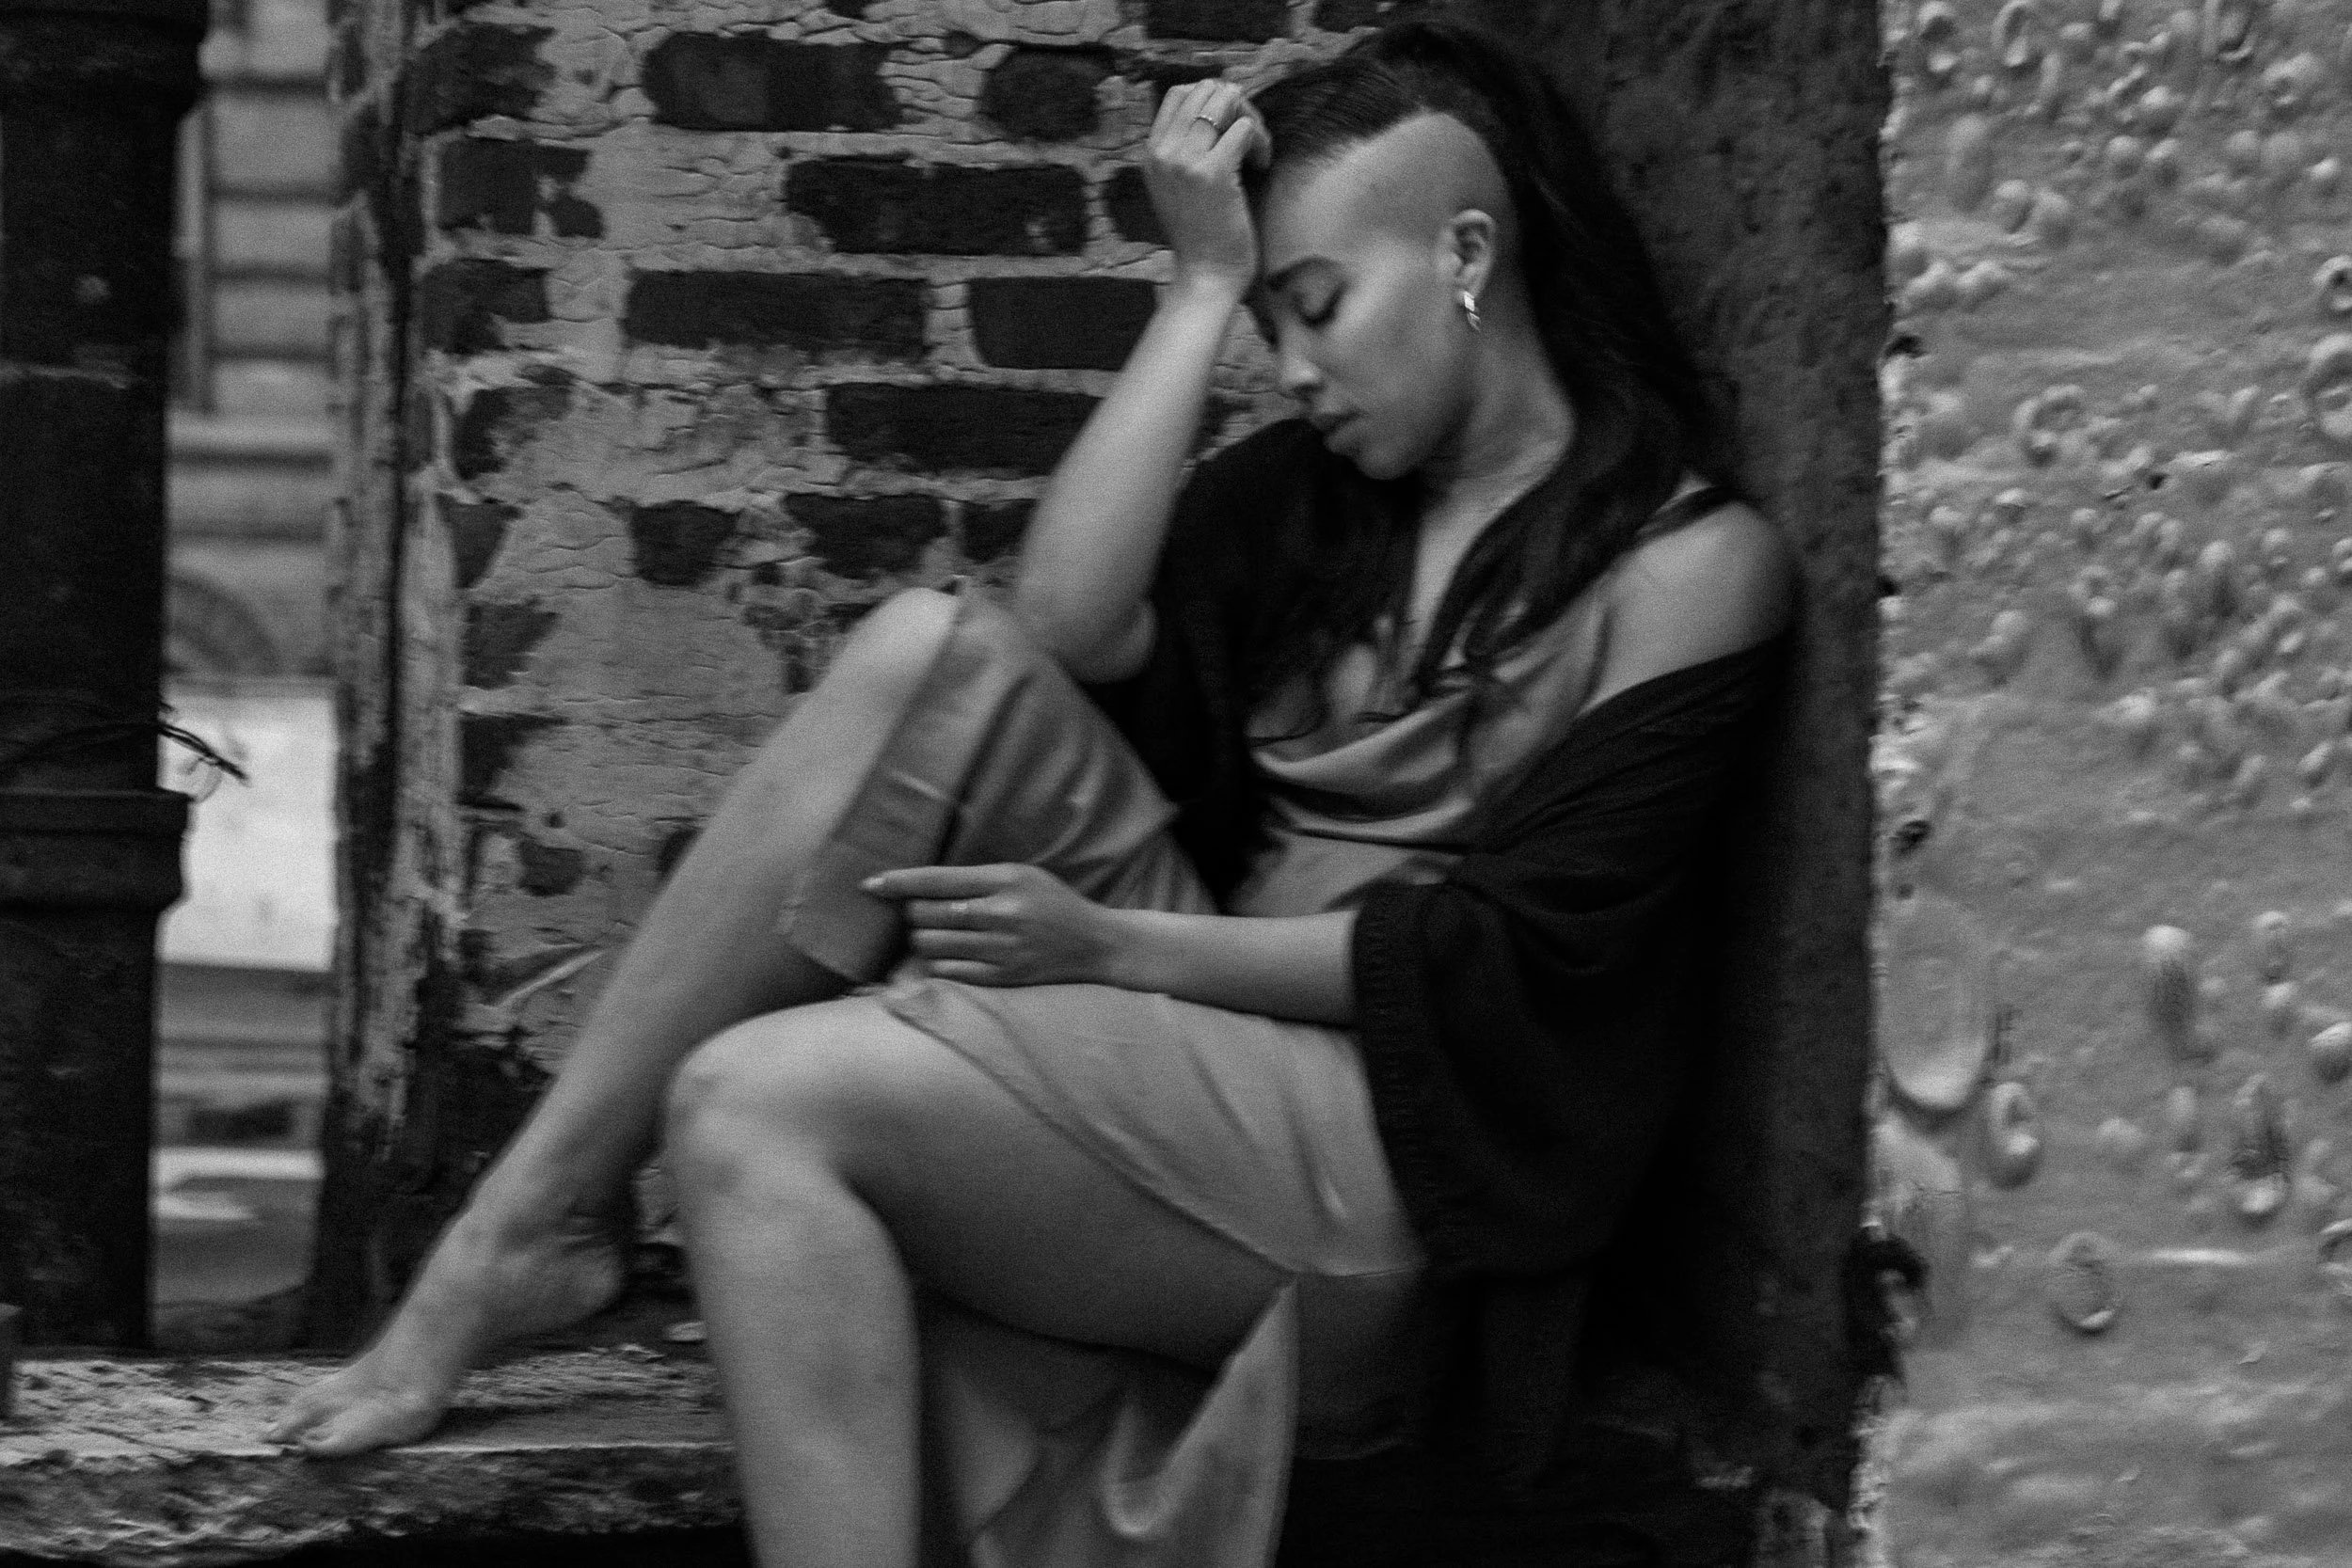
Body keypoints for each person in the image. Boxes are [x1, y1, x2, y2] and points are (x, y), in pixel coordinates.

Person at [267, 16, 1796, 1567]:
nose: (1296, 369)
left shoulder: (1688, 569)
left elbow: (1508, 963)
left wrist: (1118, 947)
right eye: (1268, 318)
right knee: (927, 650)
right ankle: (531, 1219)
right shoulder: (1315, 503)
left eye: (1317, 305)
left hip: (1403, 1165)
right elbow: (1062, 625)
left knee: (752, 1102)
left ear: (1467, 252)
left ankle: (553, 1242)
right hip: (1212, 1040)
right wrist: (1195, 288)